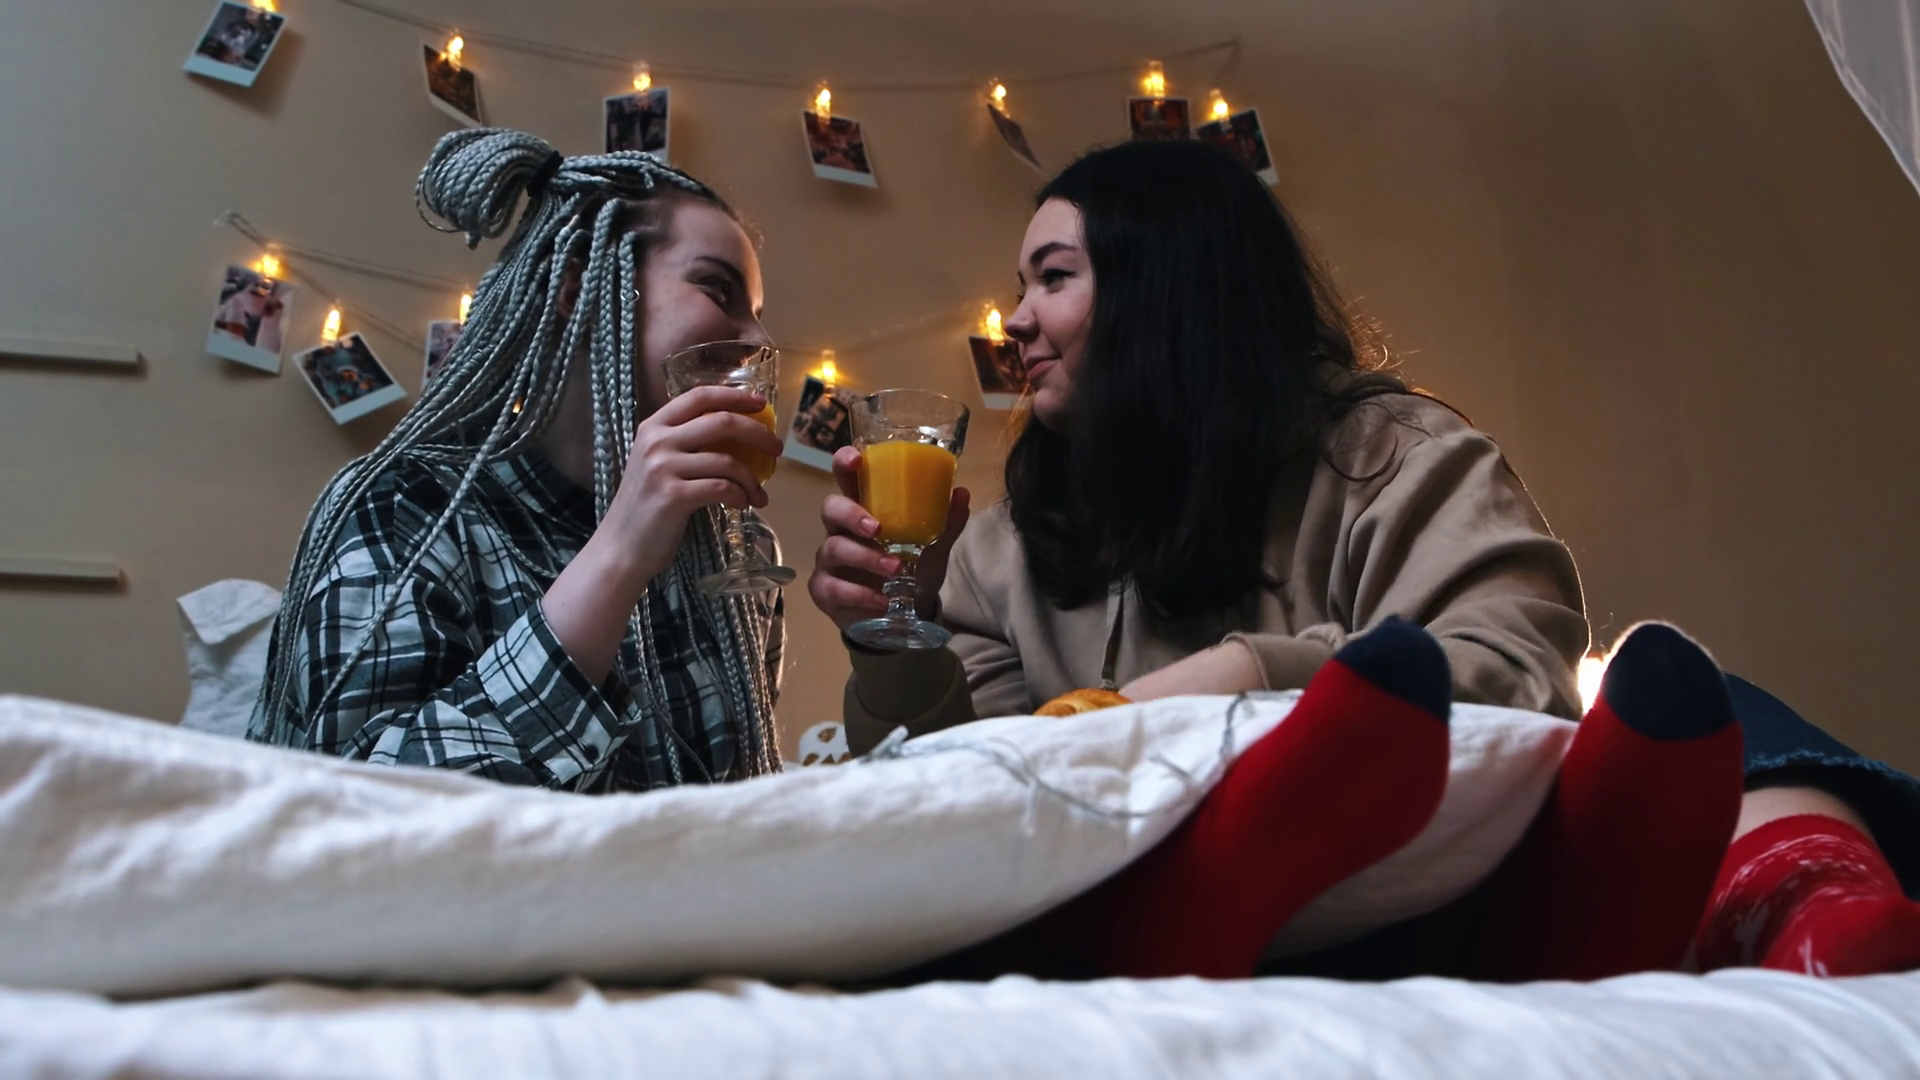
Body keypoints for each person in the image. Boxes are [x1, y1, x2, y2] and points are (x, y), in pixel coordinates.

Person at [811, 138, 1920, 979]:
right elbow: (968, 801)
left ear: (1169, 286)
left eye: (1051, 278)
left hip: (1411, 875)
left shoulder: (1388, 455)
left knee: (1698, 696)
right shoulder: (1001, 541)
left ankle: (1808, 905)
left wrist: (1244, 673)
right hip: (1147, 883)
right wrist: (895, 637)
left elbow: (1517, 669)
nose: (1014, 319)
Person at [250, 128, 787, 794]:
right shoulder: (406, 509)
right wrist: (617, 555)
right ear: (579, 289)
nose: (761, 339)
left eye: (757, 313)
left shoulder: (735, 549)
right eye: (717, 289)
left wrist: (875, 647)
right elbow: (359, 810)